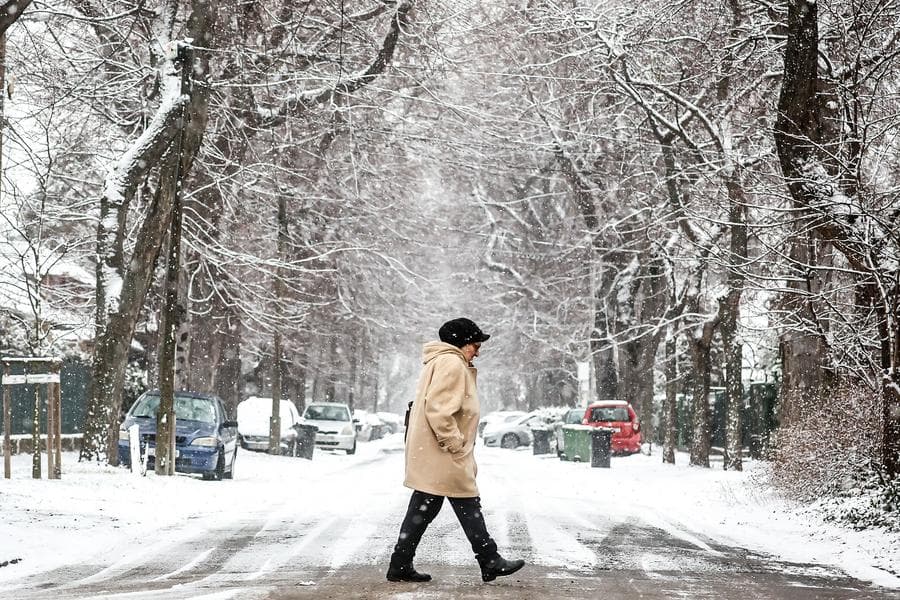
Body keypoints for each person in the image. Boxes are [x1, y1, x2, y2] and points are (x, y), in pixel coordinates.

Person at [386, 317, 525, 583]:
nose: (478, 351)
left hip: (434, 453)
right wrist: (454, 443)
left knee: (424, 507)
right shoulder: (452, 363)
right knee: (466, 501)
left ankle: (400, 563)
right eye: (474, 345)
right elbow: (438, 409)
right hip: (444, 453)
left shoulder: (442, 362)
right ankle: (489, 559)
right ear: (460, 344)